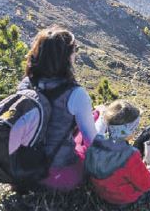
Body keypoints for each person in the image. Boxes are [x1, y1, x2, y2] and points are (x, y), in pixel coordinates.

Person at [21, 26, 98, 191]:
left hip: (23, 168)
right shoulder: (75, 94)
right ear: (66, 57)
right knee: (95, 122)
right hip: (58, 175)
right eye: (74, 51)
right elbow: (93, 142)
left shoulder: (26, 84)